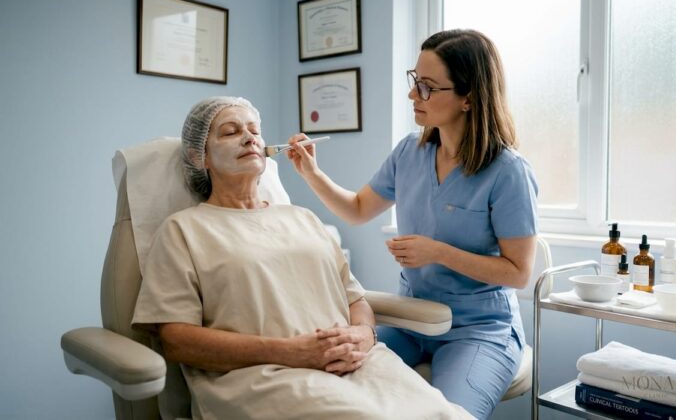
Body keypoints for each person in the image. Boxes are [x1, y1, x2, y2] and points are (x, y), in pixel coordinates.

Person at [131, 96, 472, 420]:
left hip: (357, 363)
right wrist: (291, 352)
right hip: (263, 378)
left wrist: (364, 335)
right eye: (231, 132)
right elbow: (177, 340)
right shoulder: (183, 230)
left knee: (444, 413)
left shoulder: (302, 218)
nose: (249, 138)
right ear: (199, 157)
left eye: (254, 130)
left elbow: (355, 298)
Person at [286, 29, 538, 419]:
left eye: (427, 87)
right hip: (410, 319)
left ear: (468, 97)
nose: (412, 95)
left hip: (478, 329)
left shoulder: (507, 172)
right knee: (330, 385)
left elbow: (519, 273)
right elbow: (357, 209)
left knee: (446, 414)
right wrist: (311, 173)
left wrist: (437, 252)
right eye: (414, 81)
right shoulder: (411, 152)